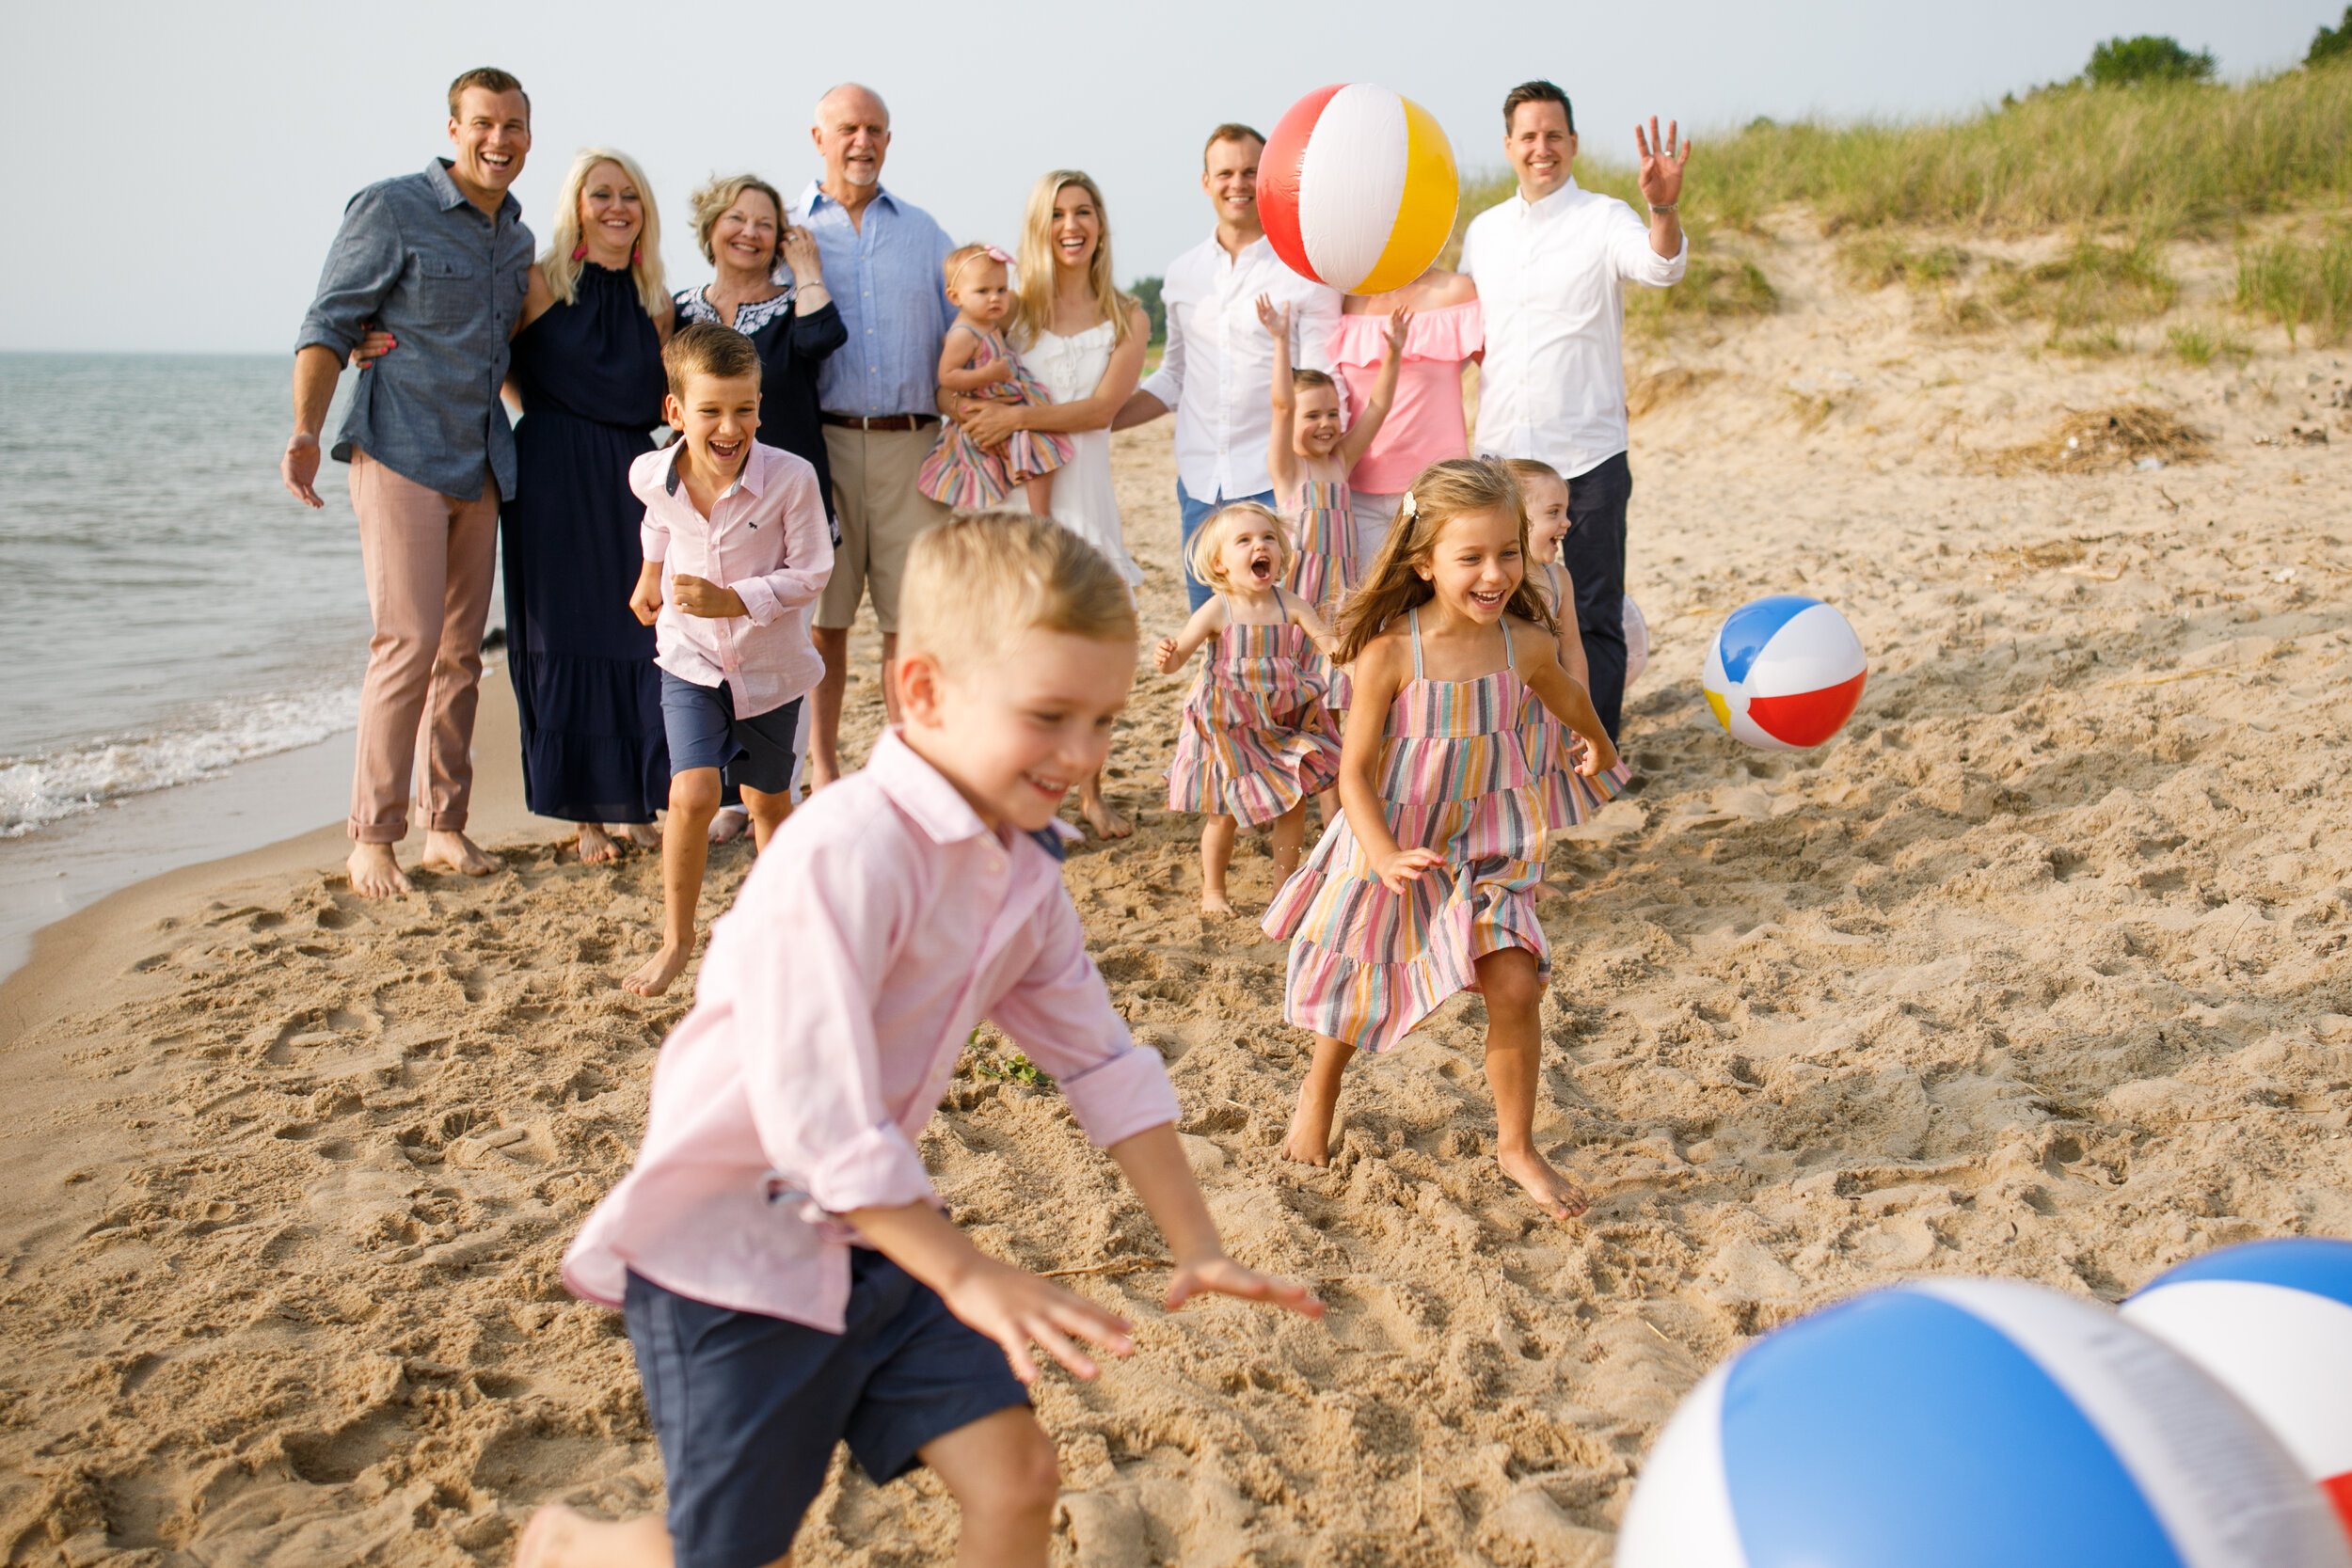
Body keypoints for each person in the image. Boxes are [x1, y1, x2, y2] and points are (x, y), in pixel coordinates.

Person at [521, 512, 1323, 1568]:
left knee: (1019, 1475)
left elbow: (1100, 1056)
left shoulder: (1024, 866)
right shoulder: (843, 853)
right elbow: (818, 1121)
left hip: (880, 1234)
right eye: (1049, 715)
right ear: (923, 691)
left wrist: (1198, 1242)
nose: (1081, 754)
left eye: (1105, 721)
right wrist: (968, 1273)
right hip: (732, 1255)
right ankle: (576, 1548)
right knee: (721, 1553)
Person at [1261, 459, 1617, 1220]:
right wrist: (1383, 852)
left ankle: (1516, 1146)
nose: (1495, 574)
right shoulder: (1388, 651)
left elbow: (1565, 695)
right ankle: (1319, 1089)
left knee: (1518, 985)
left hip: (1488, 842)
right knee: (1362, 981)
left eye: (1508, 553)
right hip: (1395, 841)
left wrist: (1598, 742)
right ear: (1424, 562)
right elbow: (1353, 773)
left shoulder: (1524, 642)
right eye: (1472, 558)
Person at [284, 67, 534, 897]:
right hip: (400, 452)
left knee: (461, 653)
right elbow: (329, 319)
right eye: (483, 124)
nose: (498, 140)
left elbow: (504, 354)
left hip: (481, 461)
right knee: (406, 645)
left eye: (514, 126)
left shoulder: (519, 238)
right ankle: (371, 837)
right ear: (454, 127)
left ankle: (445, 827)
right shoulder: (392, 207)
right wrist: (307, 430)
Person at [1461, 80, 1690, 747]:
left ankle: (1599, 754)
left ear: (1574, 143)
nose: (1542, 148)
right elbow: (1473, 335)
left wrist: (1664, 207)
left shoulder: (1604, 216)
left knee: (1590, 613)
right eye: (1528, 137)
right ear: (1508, 146)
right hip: (1502, 460)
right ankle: (1520, 749)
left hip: (1588, 454)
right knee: (1497, 609)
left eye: (1553, 135)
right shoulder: (1484, 232)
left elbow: (1659, 266)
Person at [620, 325, 833, 998]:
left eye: (744, 409)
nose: (729, 426)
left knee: (769, 801)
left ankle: (783, 934)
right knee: (693, 791)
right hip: (689, 659)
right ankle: (676, 941)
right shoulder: (650, 472)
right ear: (675, 413)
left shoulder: (792, 479)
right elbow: (657, 518)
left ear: (761, 408)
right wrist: (651, 573)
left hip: (771, 668)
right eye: (711, 410)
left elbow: (813, 573)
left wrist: (730, 599)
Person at [950, 170, 1152, 838]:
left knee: (1091, 652)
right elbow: (963, 379)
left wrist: (1019, 420)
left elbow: (1101, 411)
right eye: (1059, 214)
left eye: (1085, 212)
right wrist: (987, 419)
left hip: (1087, 494)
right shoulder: (1014, 310)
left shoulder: (1128, 316)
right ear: (1041, 226)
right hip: (1019, 497)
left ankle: (1092, 796)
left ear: (1100, 225)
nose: (1072, 225)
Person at [501, 149, 675, 864]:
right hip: (551, 479)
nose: (615, 207)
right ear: (577, 205)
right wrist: (548, 421)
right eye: (600, 194)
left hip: (632, 476)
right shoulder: (539, 284)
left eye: (628, 195)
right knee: (567, 638)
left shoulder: (657, 299)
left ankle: (637, 802)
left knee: (640, 636)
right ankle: (587, 818)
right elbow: (496, 362)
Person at [792, 84, 958, 792]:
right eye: (849, 129)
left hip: (912, 448)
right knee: (824, 624)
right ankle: (823, 766)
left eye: (877, 130)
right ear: (819, 138)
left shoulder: (926, 234)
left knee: (908, 621)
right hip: (818, 450)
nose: (863, 142)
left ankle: (904, 762)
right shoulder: (788, 232)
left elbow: (968, 331)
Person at [675, 172, 848, 844]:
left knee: (783, 646)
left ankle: (782, 787)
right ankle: (728, 793)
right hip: (707, 511)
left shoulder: (790, 305)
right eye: (736, 219)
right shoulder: (680, 307)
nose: (750, 232)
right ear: (711, 227)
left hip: (786, 505)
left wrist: (805, 268)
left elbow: (821, 341)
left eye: (765, 223)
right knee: (712, 648)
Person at [1114, 125, 1341, 611]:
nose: (1236, 183)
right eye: (1225, 172)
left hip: (1275, 484)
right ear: (1205, 182)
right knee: (1211, 627)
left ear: (1267, 179)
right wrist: (1102, 418)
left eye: (1249, 172)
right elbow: (1174, 376)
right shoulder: (1182, 273)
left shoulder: (1305, 268)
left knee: (1280, 630)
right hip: (1199, 484)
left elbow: (1325, 382)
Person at [1155, 503, 1341, 916]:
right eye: (1245, 540)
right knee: (1222, 814)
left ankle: (1282, 889)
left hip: (1278, 720)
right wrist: (1166, 655)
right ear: (1220, 564)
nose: (1260, 545)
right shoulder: (1218, 608)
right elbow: (1176, 660)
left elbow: (1326, 640)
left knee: (1292, 802)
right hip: (1226, 726)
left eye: (1268, 537)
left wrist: (1343, 650)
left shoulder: (1289, 603)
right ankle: (1214, 891)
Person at [1504, 458, 1631, 852]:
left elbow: (1573, 647)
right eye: (1553, 512)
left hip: (1547, 711)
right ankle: (1501, 866)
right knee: (1503, 790)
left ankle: (1530, 867)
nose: (1567, 522)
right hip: (1506, 714)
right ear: (1516, 521)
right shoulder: (1499, 581)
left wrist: (1582, 710)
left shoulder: (1559, 579)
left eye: (1566, 511)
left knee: (1538, 784)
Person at [1259, 297, 1406, 617]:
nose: (1326, 424)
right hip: (1297, 591)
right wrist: (1281, 340)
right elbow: (1282, 406)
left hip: (1339, 592)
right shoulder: (1288, 468)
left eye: (1332, 413)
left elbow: (1378, 407)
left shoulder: (1340, 461)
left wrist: (1393, 353)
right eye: (1312, 415)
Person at [1331, 268, 1483, 570]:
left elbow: (1501, 372)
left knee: (1435, 605)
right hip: (1359, 494)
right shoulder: (1340, 297)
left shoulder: (1455, 291)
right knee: (1370, 606)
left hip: (1436, 492)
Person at [916, 244, 1070, 513]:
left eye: (1001, 289)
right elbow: (947, 375)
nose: (995, 298)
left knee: (1034, 454)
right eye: (983, 291)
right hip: (988, 405)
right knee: (1038, 451)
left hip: (1006, 401)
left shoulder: (987, 323)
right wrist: (987, 374)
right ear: (955, 297)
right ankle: (1040, 514)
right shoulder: (963, 333)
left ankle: (1036, 510)